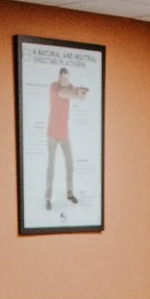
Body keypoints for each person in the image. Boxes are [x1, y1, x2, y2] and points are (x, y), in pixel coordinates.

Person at [44, 66, 88, 209]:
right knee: (51, 167)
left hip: (64, 135)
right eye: (63, 79)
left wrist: (81, 92)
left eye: (67, 79)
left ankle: (70, 193)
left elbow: (80, 97)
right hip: (52, 135)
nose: (65, 81)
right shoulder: (54, 87)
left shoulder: (69, 87)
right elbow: (64, 94)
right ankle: (48, 198)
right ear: (59, 78)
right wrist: (76, 93)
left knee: (70, 164)